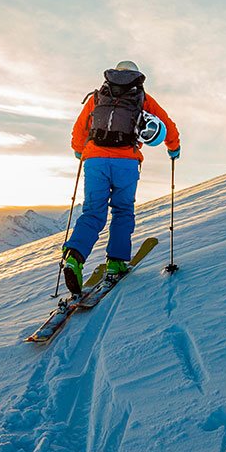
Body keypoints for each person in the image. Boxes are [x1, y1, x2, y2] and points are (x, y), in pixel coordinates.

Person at [61, 60, 180, 293]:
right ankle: (116, 262)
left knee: (93, 212)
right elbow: (166, 124)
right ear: (136, 75)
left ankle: (74, 257)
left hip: (95, 161)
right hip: (127, 161)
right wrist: (173, 147)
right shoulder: (142, 98)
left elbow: (80, 129)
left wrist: (79, 150)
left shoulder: (99, 96)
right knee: (123, 210)